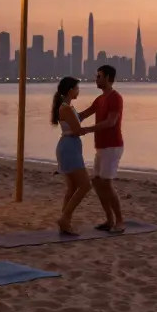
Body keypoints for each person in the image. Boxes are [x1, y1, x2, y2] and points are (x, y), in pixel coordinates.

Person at [79, 64, 126, 233]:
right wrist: (65, 113)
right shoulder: (99, 99)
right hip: (100, 146)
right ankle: (109, 219)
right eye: (97, 76)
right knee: (97, 182)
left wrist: (87, 129)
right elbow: (84, 114)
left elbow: (111, 122)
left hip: (112, 146)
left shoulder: (115, 98)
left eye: (99, 76)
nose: (96, 79)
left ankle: (120, 221)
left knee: (106, 183)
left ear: (107, 78)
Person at [52, 76, 95, 234]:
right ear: (70, 91)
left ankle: (65, 221)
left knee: (72, 187)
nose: (78, 91)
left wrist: (94, 108)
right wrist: (99, 128)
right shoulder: (66, 108)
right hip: (69, 148)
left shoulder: (68, 107)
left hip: (69, 147)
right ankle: (65, 218)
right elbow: (78, 130)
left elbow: (79, 118)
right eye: (77, 88)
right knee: (85, 185)